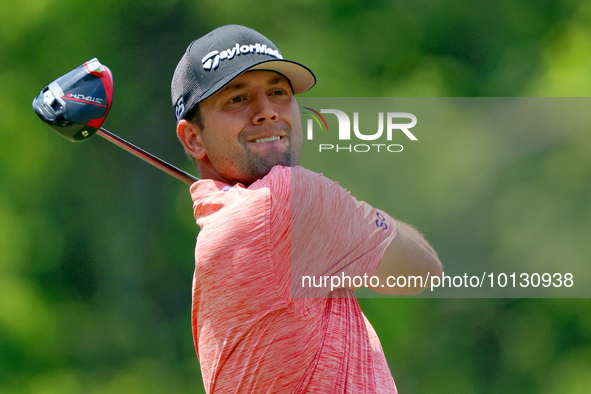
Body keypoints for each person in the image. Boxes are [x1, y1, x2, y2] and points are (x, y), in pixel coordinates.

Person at [171, 25, 442, 394]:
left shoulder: (221, 225)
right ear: (193, 138)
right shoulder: (290, 198)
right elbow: (421, 269)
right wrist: (346, 209)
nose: (266, 111)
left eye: (278, 93)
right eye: (236, 99)